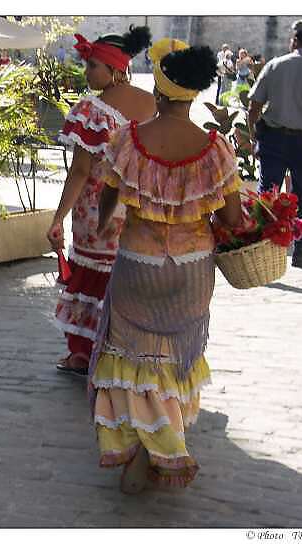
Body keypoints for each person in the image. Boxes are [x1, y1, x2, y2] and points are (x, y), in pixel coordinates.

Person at [89, 38, 243, 493]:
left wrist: (101, 229)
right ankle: (167, 441)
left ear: (158, 93)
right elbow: (232, 218)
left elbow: (107, 198)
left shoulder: (128, 142)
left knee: (130, 356)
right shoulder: (216, 149)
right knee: (172, 360)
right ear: (193, 94)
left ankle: (140, 442)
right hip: (193, 268)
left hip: (138, 261)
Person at [47, 26, 156, 376]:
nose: (86, 72)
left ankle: (83, 353)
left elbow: (80, 171)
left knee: (91, 275)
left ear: (115, 70)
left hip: (97, 212)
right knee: (123, 276)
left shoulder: (92, 110)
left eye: (92, 65)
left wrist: (57, 218)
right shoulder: (151, 104)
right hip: (137, 211)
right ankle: (121, 351)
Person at [247, 19, 302, 268]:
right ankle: (301, 251)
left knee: (268, 193)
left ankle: (262, 249)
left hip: (273, 139)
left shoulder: (275, 65)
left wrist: (254, 138)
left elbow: (253, 107)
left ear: (294, 41)